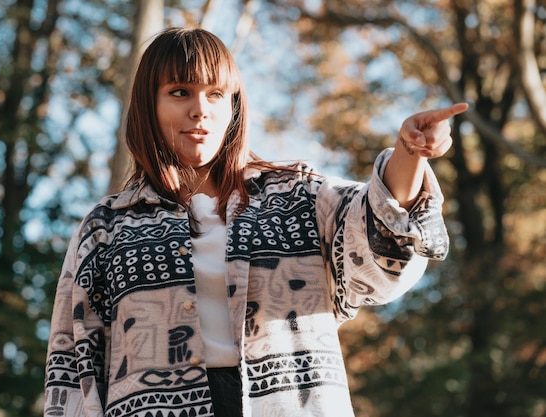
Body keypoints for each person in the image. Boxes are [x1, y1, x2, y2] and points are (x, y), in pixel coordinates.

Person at [43, 27, 468, 417]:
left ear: (234, 105)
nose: (199, 110)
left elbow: (375, 236)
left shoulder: (298, 197)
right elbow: (73, 366)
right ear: (148, 106)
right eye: (179, 92)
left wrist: (408, 152)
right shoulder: (106, 228)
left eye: (215, 94)